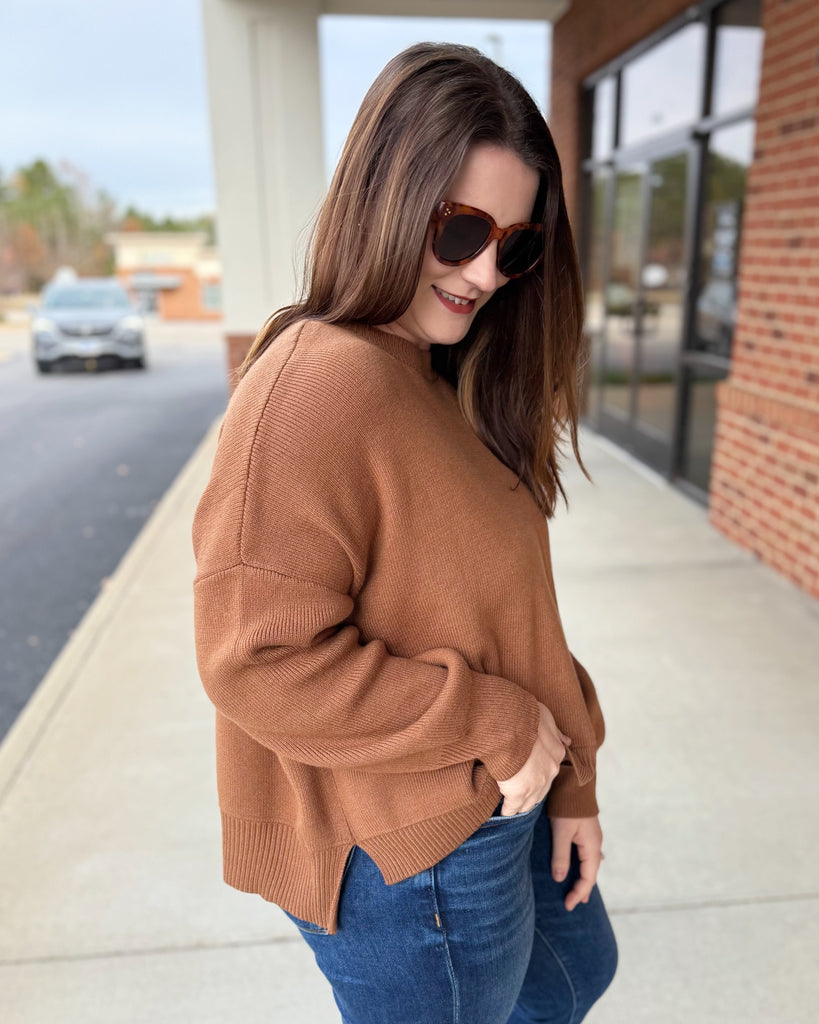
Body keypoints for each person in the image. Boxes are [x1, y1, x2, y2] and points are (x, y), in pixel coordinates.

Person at [192, 41, 617, 1024]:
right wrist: (499, 725)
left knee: (573, 976)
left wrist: (574, 781)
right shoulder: (316, 384)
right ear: (385, 199)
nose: (485, 271)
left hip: (495, 795)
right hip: (413, 843)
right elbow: (254, 661)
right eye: (459, 228)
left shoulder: (438, 374)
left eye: (515, 246)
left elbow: (511, 615)